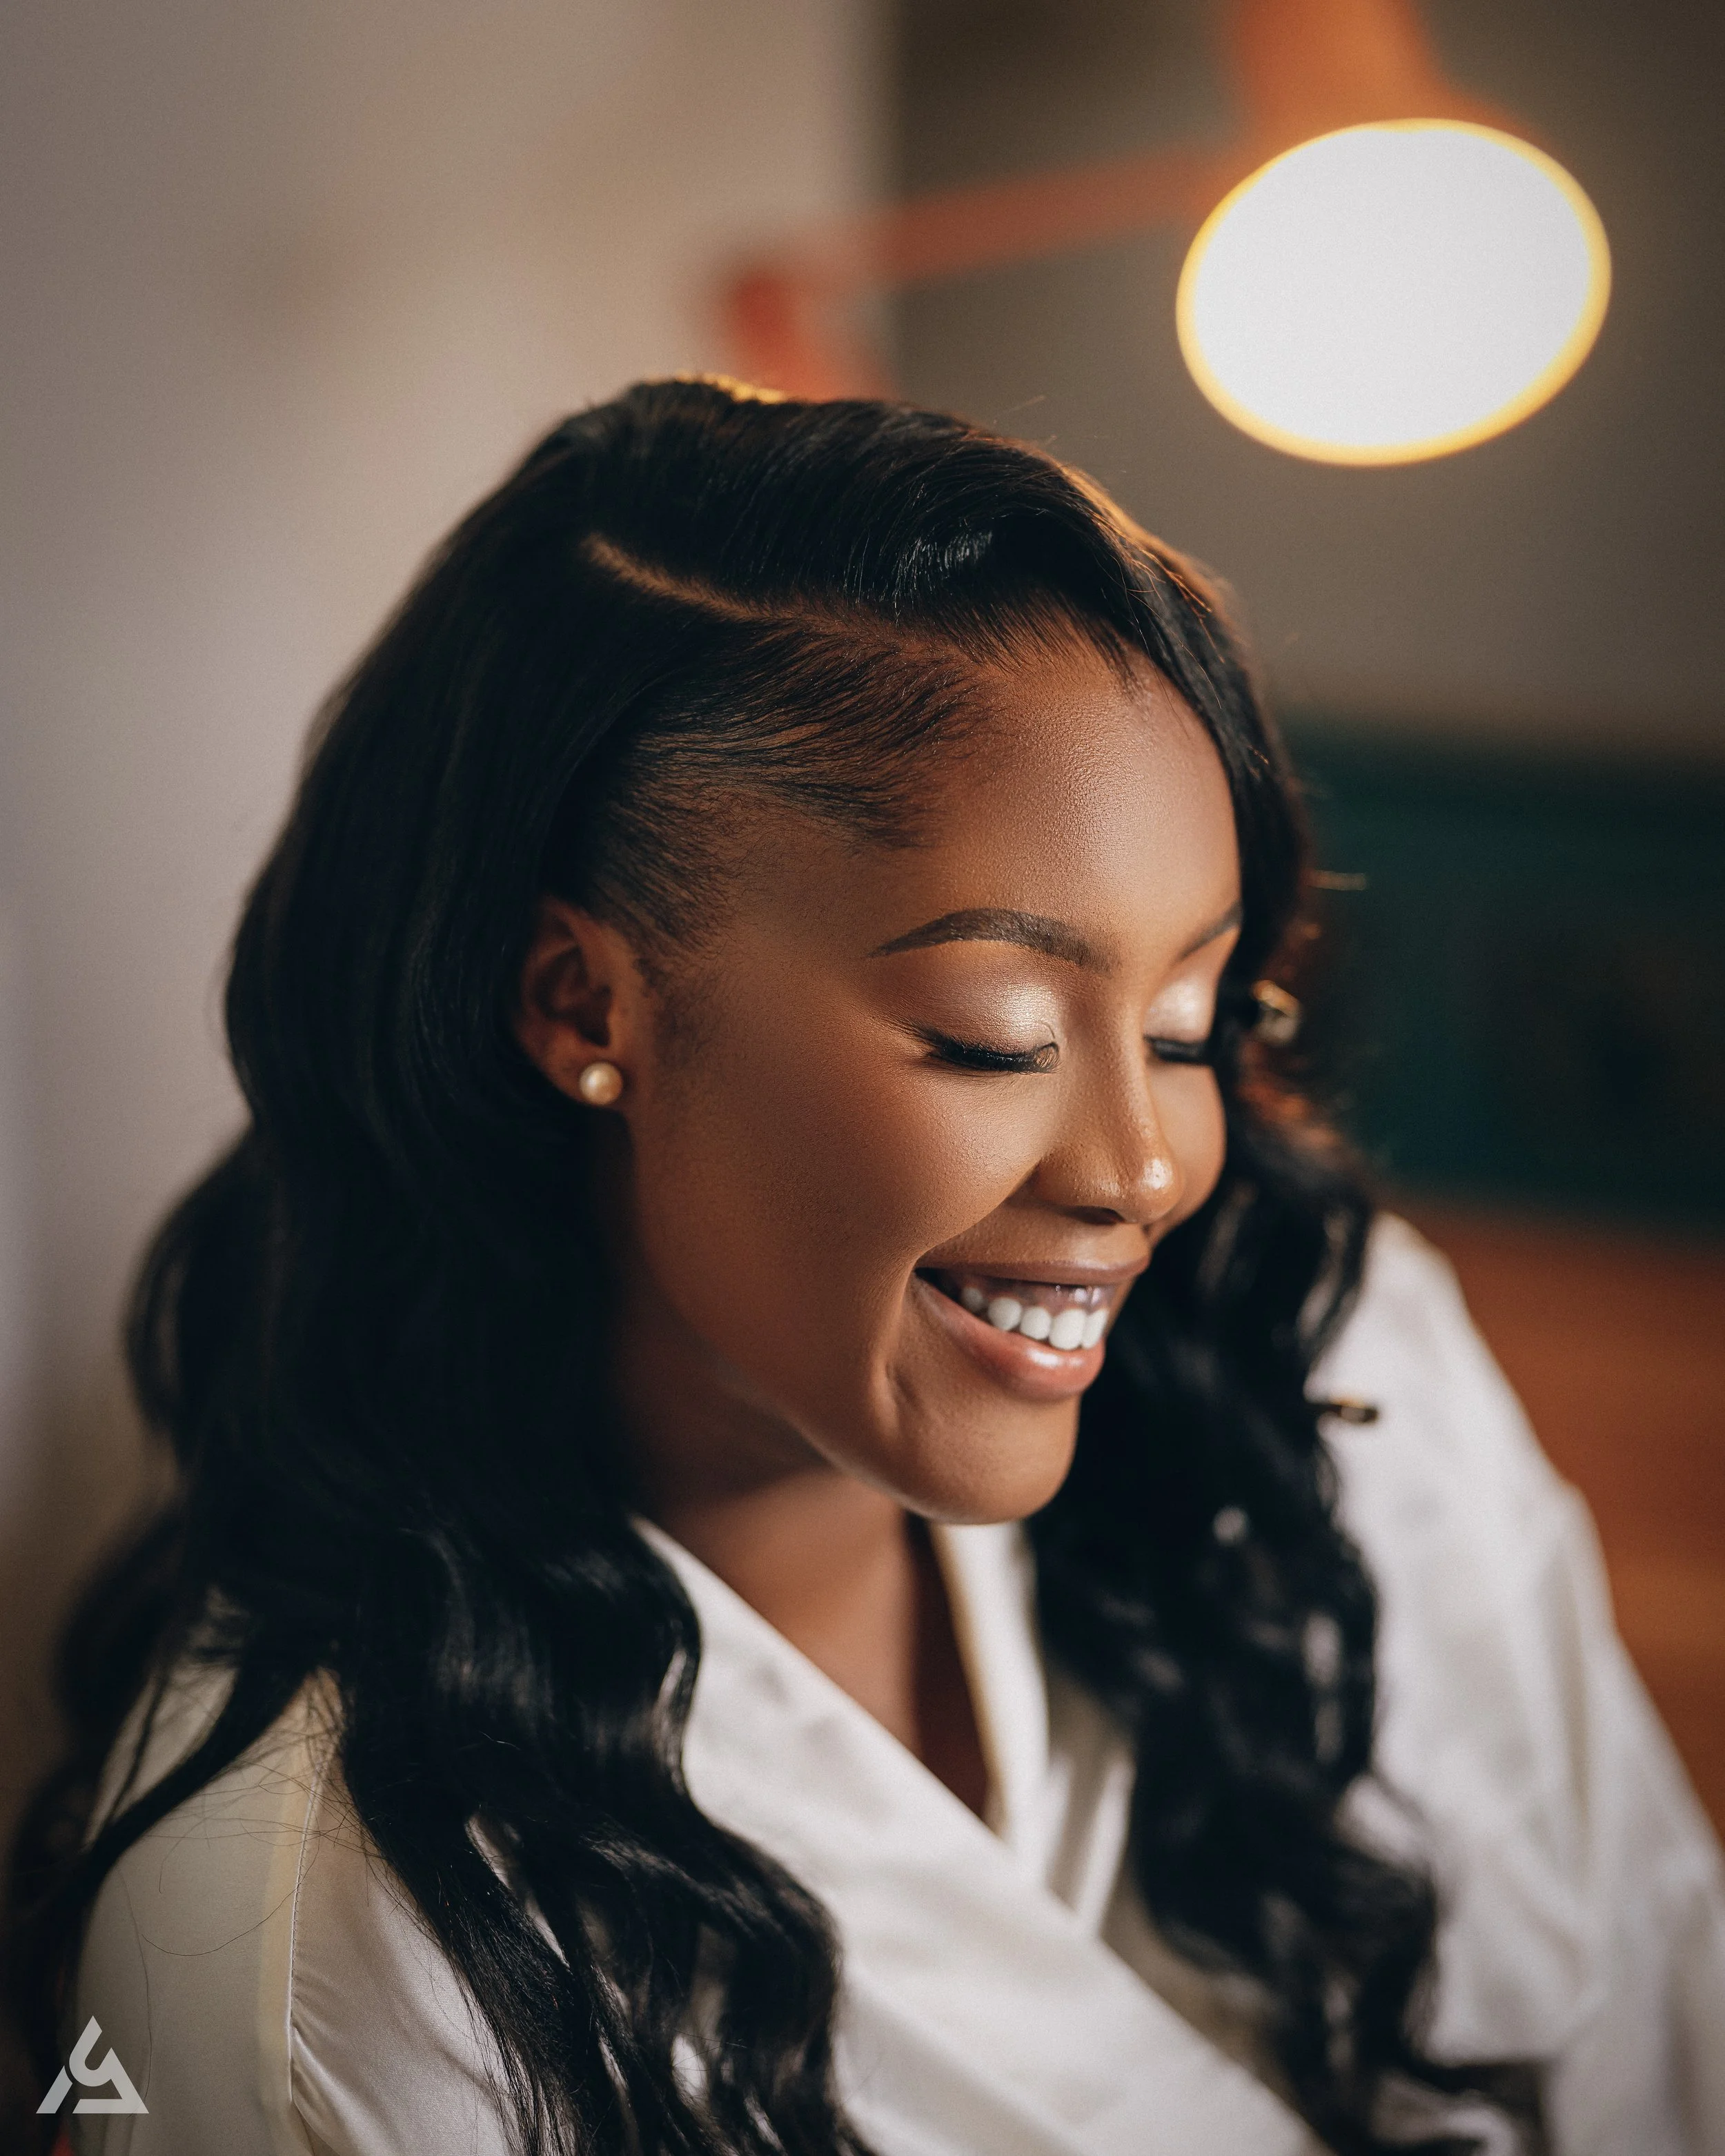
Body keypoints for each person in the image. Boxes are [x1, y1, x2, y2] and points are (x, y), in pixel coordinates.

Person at [8, 379, 1723, 2156]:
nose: (1141, 1166)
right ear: (580, 1002)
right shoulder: (313, 1949)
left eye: (1192, 1018)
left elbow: (1671, 2026)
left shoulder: (1333, 1365)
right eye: (991, 1034)